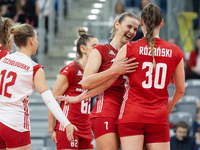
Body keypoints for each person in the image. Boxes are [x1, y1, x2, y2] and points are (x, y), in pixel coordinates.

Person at [112, 3, 185, 150]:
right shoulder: (175, 51)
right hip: (158, 116)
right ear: (162, 23)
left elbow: (109, 79)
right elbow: (181, 89)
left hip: (132, 114)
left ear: (141, 22)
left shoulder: (130, 48)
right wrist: (171, 103)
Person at [0, 23, 77, 150]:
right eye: (36, 39)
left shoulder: (3, 60)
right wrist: (66, 123)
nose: (38, 42)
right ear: (31, 41)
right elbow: (50, 100)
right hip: (15, 123)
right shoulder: (34, 68)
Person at [79, 12, 139, 150]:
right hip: (106, 110)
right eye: (129, 26)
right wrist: (114, 70)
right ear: (117, 25)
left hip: (130, 112)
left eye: (135, 29)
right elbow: (85, 83)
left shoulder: (135, 53)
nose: (132, 31)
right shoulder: (101, 50)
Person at [48, 28, 99, 150]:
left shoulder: (95, 71)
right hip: (68, 126)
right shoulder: (71, 69)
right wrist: (51, 128)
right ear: (83, 49)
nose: (98, 49)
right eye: (94, 46)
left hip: (86, 128)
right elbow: (52, 100)